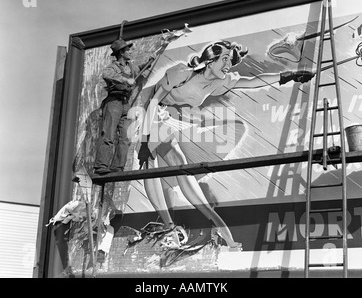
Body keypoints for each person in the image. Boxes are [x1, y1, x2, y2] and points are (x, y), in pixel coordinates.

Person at [137, 40, 315, 249]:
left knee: (181, 165)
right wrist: (143, 141)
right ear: (210, 60)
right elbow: (154, 101)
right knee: (149, 162)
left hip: (164, 116)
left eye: (230, 61)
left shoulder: (218, 83)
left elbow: (252, 81)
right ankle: (168, 226)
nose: (228, 64)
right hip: (144, 110)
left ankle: (213, 227)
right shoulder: (182, 72)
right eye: (224, 59)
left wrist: (288, 76)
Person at [94, 38, 152, 175]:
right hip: (113, 102)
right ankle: (101, 165)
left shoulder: (131, 67)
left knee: (125, 137)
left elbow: (139, 69)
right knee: (108, 134)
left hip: (126, 104)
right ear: (121, 52)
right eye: (128, 50)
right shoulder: (113, 67)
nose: (130, 52)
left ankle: (117, 167)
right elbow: (106, 75)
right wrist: (125, 79)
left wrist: (149, 61)